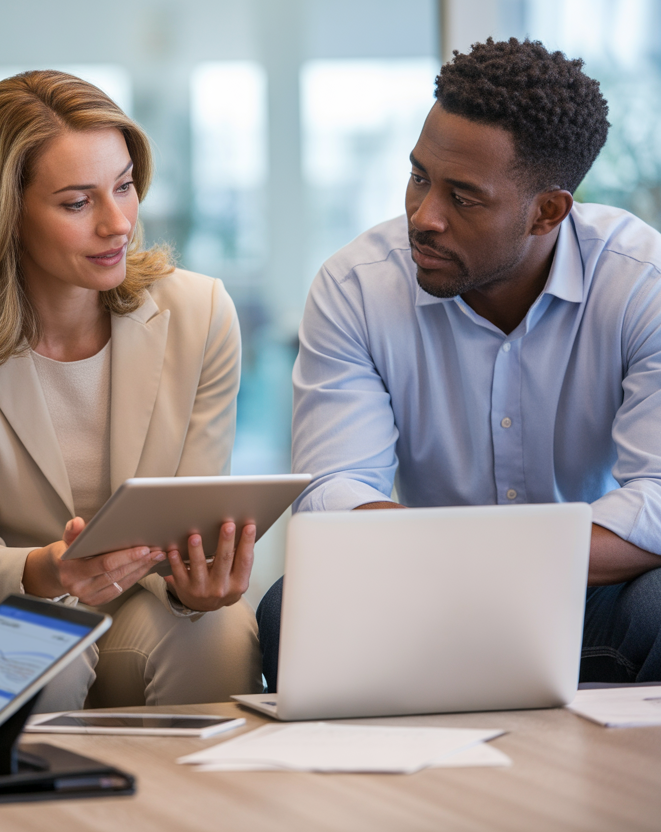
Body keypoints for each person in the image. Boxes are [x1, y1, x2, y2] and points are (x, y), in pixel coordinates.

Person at [261, 38, 661, 691]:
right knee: (291, 608)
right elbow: (331, 494)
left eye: (464, 197)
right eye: (419, 176)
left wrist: (484, 553)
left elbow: (660, 501)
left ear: (548, 212)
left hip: (588, 594)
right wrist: (477, 557)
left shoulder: (641, 282)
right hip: (425, 596)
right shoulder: (356, 285)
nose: (424, 216)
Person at [0, 70, 263, 711]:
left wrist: (203, 581)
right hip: (14, 605)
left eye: (124, 186)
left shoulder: (202, 313)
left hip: (146, 608)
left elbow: (193, 518)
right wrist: (51, 571)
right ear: (4, 212)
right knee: (37, 652)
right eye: (78, 203)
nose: (118, 224)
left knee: (219, 630)